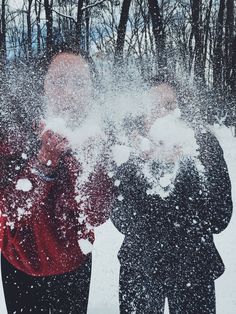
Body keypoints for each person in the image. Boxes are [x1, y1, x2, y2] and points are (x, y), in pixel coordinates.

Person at [0, 50, 113, 313]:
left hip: (73, 264)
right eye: (59, 81)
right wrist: (45, 160)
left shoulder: (96, 138)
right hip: (21, 263)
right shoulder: (15, 130)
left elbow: (96, 215)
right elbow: (10, 208)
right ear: (43, 85)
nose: (70, 92)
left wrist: (92, 160)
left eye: (79, 82)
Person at [111, 76, 233, 314]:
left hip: (194, 270)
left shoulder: (204, 146)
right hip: (140, 270)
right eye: (152, 106)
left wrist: (186, 169)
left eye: (168, 106)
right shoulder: (128, 150)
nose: (161, 114)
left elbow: (220, 217)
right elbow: (121, 219)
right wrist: (148, 167)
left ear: (180, 110)